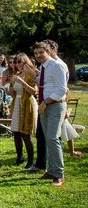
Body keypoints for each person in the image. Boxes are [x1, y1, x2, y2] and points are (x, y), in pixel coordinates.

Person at [33, 41, 68, 186]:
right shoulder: (43, 67)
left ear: (48, 51)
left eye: (41, 52)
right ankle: (52, 170)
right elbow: (45, 84)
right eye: (36, 53)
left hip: (54, 105)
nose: (38, 55)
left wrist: (45, 102)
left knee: (53, 138)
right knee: (48, 139)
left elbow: (61, 89)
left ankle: (59, 174)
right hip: (44, 106)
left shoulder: (56, 65)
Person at [9, 53, 38, 168]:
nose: (17, 64)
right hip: (17, 103)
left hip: (27, 104)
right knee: (16, 132)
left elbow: (33, 92)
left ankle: (30, 161)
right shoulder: (17, 74)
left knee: (25, 134)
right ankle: (19, 157)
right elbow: (13, 93)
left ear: (25, 62)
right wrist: (11, 86)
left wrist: (22, 82)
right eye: (15, 62)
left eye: (19, 62)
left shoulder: (31, 74)